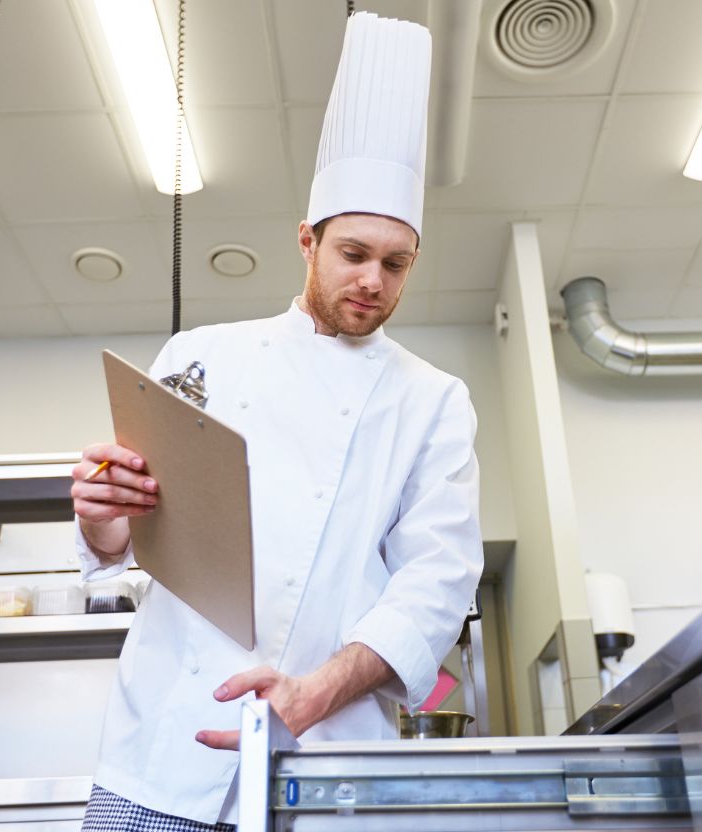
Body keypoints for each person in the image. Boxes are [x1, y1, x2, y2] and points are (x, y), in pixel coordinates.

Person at [71, 13, 483, 831]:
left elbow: (437, 581)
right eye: (352, 254)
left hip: (328, 761)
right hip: (160, 751)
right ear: (308, 240)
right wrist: (102, 520)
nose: (372, 280)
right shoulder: (206, 355)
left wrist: (316, 692)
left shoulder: (433, 399)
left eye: (394, 264)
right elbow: (134, 535)